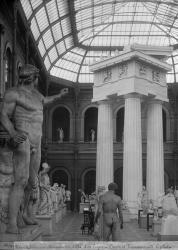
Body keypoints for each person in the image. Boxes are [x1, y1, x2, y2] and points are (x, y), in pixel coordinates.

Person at [0, 64, 68, 233]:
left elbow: (46, 101)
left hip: (37, 142)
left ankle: (23, 215)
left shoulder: (37, 95)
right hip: (23, 138)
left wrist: (59, 95)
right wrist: (13, 133)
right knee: (21, 180)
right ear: (33, 78)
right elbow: (2, 115)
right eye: (37, 77)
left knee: (32, 182)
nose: (37, 80)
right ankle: (11, 223)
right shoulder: (13, 93)